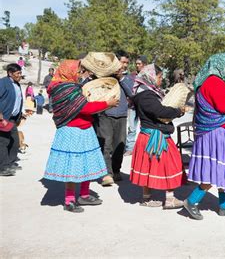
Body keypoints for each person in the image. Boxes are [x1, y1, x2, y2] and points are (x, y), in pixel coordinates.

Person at [43, 60, 119, 213]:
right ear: (68, 71)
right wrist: (106, 103)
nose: (79, 74)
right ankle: (69, 200)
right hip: (71, 132)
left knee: (87, 163)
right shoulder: (64, 89)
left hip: (85, 130)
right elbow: (84, 107)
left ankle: (84, 195)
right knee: (72, 167)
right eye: (77, 71)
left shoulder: (73, 87)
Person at [183, 53, 225, 220]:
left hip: (208, 131)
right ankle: (192, 201)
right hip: (217, 133)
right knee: (215, 169)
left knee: (221, 167)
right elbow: (224, 106)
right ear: (221, 65)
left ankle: (224, 205)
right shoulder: (215, 82)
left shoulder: (203, 82)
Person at [130, 64, 187, 208]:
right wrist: (178, 111)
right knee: (170, 165)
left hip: (149, 135)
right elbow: (160, 112)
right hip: (156, 136)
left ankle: (147, 197)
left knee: (148, 166)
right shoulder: (146, 95)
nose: (161, 80)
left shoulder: (144, 92)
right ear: (150, 76)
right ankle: (169, 199)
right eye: (159, 77)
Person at [95, 54, 134, 186]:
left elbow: (132, 94)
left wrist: (121, 79)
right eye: (122, 62)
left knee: (120, 144)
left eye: (126, 63)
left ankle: (116, 170)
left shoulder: (127, 78)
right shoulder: (104, 77)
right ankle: (107, 173)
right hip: (105, 114)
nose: (124, 65)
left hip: (122, 115)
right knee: (106, 144)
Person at [0, 64, 24, 176]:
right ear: (10, 73)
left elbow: (17, 100)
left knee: (14, 141)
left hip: (13, 118)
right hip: (3, 117)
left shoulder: (16, 84)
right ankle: (3, 167)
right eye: (18, 73)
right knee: (3, 142)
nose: (20, 75)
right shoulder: (3, 82)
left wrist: (20, 114)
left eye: (20, 73)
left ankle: (10, 162)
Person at [125, 55, 148, 155]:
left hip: (144, 105)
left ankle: (145, 147)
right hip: (133, 105)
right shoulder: (132, 76)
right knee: (132, 127)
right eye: (136, 64)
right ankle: (130, 148)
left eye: (139, 64)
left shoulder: (148, 75)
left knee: (146, 127)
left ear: (144, 65)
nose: (137, 65)